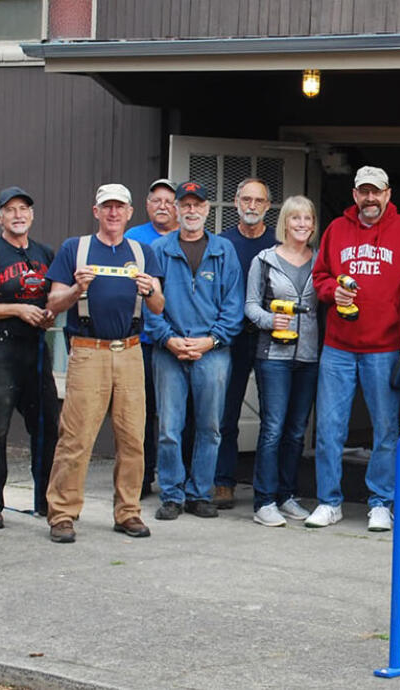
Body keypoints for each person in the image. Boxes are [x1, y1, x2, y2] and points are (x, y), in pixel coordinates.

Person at [305, 166, 400, 531]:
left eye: (376, 192)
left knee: (385, 429)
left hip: (385, 346)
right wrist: (331, 292)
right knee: (328, 428)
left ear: (388, 194)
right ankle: (329, 501)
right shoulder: (336, 230)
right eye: (363, 192)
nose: (370, 198)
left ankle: (380, 503)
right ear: (355, 195)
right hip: (338, 346)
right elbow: (320, 276)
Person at [44, 183, 164, 543]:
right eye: (106, 207)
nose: (113, 213)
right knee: (76, 438)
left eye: (120, 207)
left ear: (130, 213)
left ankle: (128, 512)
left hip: (129, 351)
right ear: (96, 212)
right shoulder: (75, 249)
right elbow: (54, 303)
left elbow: (158, 306)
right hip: (87, 350)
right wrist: (75, 290)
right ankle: (62, 514)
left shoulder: (143, 254)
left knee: (133, 438)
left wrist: (149, 291)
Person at [144, 181, 243, 521]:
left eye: (196, 205)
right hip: (168, 351)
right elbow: (149, 305)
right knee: (169, 428)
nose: (190, 211)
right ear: (175, 209)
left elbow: (234, 306)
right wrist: (168, 339)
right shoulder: (158, 249)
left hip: (212, 352)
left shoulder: (224, 250)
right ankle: (171, 495)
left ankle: (200, 493)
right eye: (184, 204)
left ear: (207, 210)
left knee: (209, 427)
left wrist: (211, 340)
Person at [0, 186, 60, 528]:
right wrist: (18, 309)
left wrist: (49, 313)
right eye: (11, 209)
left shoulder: (45, 253)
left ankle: (47, 501)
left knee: (48, 427)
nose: (18, 215)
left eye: (24, 209)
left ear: (32, 215)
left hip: (36, 349)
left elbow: (57, 296)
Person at [244, 196, 322, 527]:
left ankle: (287, 495)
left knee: (295, 431)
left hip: (308, 356)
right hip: (273, 356)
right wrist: (268, 321)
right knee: (273, 428)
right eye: (295, 219)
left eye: (307, 219)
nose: (302, 224)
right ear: (285, 223)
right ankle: (264, 500)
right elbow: (249, 306)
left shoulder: (321, 261)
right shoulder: (264, 260)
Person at [215, 178, 276, 509]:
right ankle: (223, 481)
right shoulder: (222, 243)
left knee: (272, 415)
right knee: (226, 414)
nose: (252, 206)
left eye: (259, 201)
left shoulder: (277, 245)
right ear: (236, 202)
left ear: (268, 206)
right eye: (246, 199)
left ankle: (268, 485)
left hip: (269, 338)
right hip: (230, 338)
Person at [125, 178, 179, 496]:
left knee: (174, 414)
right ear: (146, 205)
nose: (162, 206)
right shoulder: (134, 238)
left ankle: (175, 475)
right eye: (156, 200)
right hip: (141, 341)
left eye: (168, 201)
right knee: (142, 412)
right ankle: (141, 478)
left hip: (175, 340)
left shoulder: (184, 239)